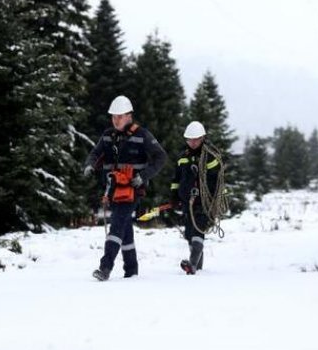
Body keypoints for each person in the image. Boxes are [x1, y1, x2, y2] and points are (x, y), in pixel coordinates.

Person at [83, 95, 166, 281]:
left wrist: (143, 176)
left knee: (117, 224)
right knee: (124, 227)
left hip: (132, 190)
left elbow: (161, 157)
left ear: (129, 116)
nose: (116, 120)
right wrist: (90, 165)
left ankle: (105, 267)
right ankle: (131, 269)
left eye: (120, 116)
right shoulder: (107, 136)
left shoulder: (142, 135)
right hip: (112, 189)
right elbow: (95, 153)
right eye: (113, 116)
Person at [169, 121, 225, 275]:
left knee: (198, 230)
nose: (192, 143)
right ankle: (197, 265)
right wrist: (174, 197)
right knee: (189, 233)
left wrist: (211, 199)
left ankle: (192, 264)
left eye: (196, 140)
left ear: (202, 138)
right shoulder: (182, 157)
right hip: (187, 201)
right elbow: (176, 179)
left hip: (203, 202)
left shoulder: (209, 157)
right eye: (189, 140)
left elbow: (216, 179)